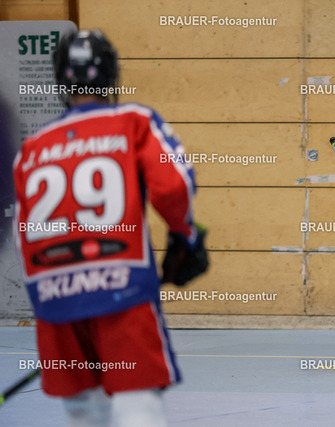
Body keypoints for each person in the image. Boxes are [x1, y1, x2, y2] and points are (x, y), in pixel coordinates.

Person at [12, 29, 208, 426]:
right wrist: (185, 237)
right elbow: (173, 186)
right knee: (138, 405)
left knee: (84, 412)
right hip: (123, 290)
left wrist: (51, 300)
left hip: (53, 299)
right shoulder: (134, 121)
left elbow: (21, 231)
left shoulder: (32, 148)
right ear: (112, 75)